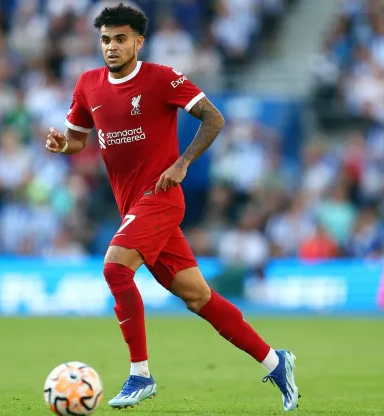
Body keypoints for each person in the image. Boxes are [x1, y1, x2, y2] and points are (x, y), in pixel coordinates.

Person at [45, 3, 300, 412]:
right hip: (133, 206)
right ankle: (276, 361)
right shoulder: (87, 84)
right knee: (198, 297)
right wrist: (64, 146)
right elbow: (78, 139)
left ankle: (140, 374)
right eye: (106, 39)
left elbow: (213, 118)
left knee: (114, 267)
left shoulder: (161, 78)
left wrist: (182, 163)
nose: (111, 46)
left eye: (121, 39)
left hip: (161, 198)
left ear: (138, 42)